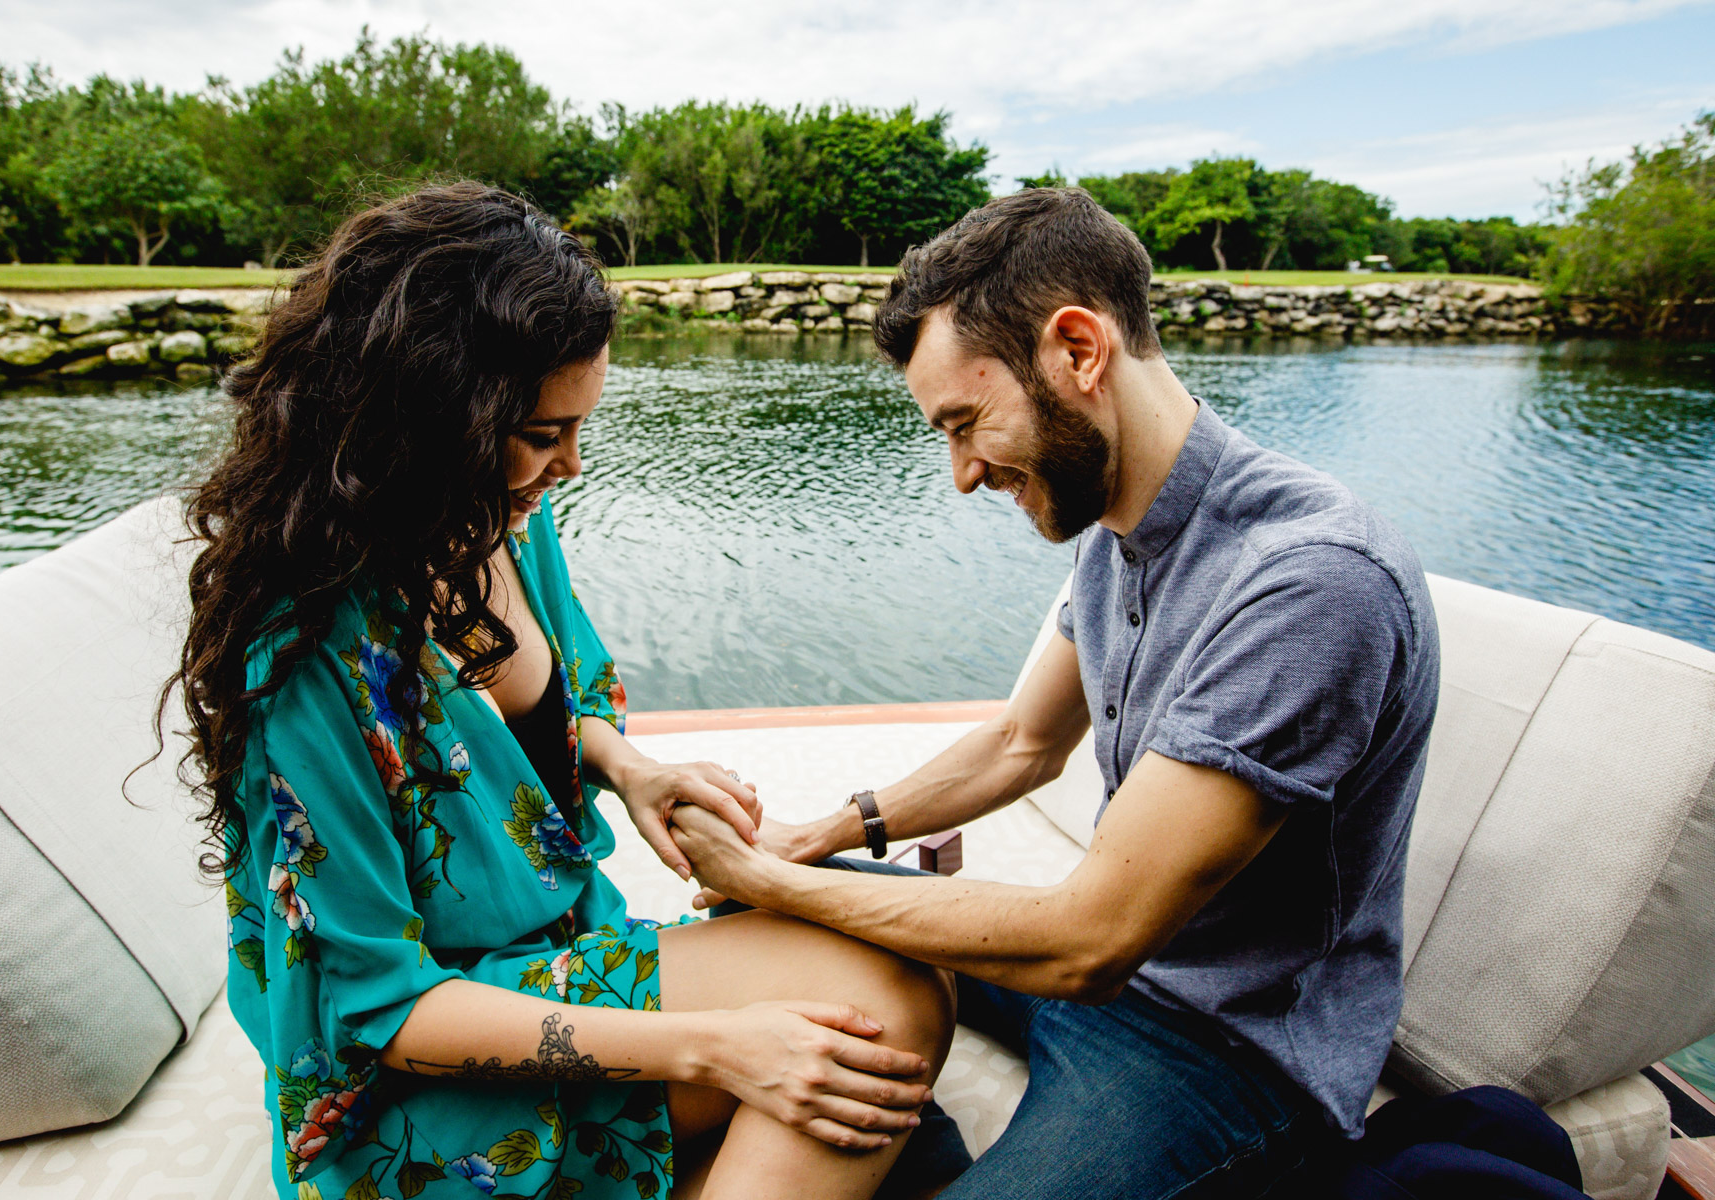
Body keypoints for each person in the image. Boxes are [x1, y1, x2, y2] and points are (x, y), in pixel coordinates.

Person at [172, 182, 953, 1200]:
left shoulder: (500, 523)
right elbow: (385, 1010)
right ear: (433, 416)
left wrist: (630, 770)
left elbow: (553, 722)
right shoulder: (302, 648)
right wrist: (712, 1049)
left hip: (561, 951)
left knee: (902, 986)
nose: (572, 466)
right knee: (877, 1015)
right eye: (543, 433)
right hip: (417, 1079)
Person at [670, 187, 1443, 1199]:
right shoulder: (1122, 525)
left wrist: (779, 879)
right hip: (1096, 968)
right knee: (752, 928)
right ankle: (911, 1141)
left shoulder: (1309, 581)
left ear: (1079, 350)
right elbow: (1020, 748)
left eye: (964, 422)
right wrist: (813, 841)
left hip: (1221, 1046)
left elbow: (1092, 939)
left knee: (777, 903)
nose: (958, 474)